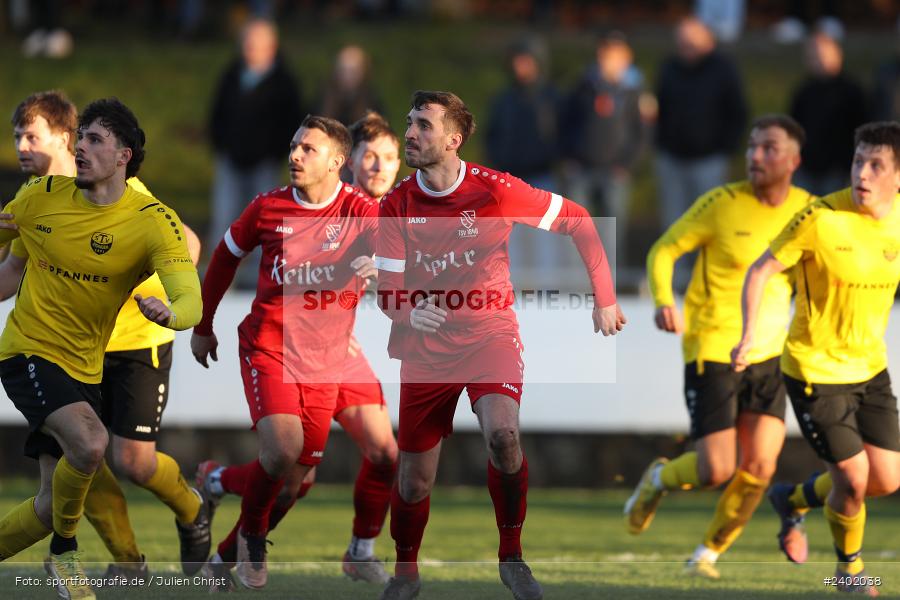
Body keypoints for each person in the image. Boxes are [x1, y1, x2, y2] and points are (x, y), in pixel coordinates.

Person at [374, 90, 625, 600]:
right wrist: (407, 308)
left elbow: (578, 219)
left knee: (503, 438)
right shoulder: (396, 205)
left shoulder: (495, 191)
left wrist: (605, 298)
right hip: (425, 351)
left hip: (490, 333)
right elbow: (388, 290)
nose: (411, 134)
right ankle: (405, 574)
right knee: (414, 482)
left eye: (424, 125)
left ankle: (511, 557)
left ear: (454, 138)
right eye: (409, 123)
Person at [0, 91, 210, 581]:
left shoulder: (142, 210)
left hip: (130, 342)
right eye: (16, 137)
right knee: (89, 447)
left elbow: (188, 255)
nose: (20, 146)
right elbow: (12, 266)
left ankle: (190, 508)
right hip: (40, 351)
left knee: (125, 466)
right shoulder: (37, 198)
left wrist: (170, 309)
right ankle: (112, 559)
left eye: (31, 136)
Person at [194, 111, 400, 586]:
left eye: (389, 158)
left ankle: (220, 519)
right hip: (272, 347)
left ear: (334, 161)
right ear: (351, 163)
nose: (294, 154)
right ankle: (250, 538)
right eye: (372, 156)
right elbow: (225, 255)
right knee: (284, 451)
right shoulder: (269, 208)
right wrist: (202, 323)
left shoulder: (370, 213)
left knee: (299, 480)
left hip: (331, 356)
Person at [626, 115, 812, 578]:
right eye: (751, 147)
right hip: (713, 348)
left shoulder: (811, 211)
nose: (755, 156)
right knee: (715, 470)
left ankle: (706, 554)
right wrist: (664, 300)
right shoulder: (722, 203)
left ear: (794, 160)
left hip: (770, 355)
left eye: (768, 148)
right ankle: (657, 479)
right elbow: (664, 249)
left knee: (761, 466)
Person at [732, 122, 900, 595]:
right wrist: (747, 336)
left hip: (870, 368)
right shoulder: (820, 217)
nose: (862, 173)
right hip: (814, 370)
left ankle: (792, 498)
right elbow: (759, 270)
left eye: (876, 165)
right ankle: (848, 573)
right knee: (853, 478)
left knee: (886, 480)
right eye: (857, 161)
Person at [208, 17, 303, 287]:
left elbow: (292, 122)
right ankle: (219, 278)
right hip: (231, 160)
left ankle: (260, 279)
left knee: (266, 222)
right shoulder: (231, 74)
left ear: (271, 47)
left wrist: (276, 153)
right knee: (224, 219)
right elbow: (217, 114)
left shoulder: (284, 82)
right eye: (247, 43)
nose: (250, 48)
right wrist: (221, 145)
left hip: (264, 164)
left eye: (256, 44)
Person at [655, 16, 747, 289]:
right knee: (674, 225)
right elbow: (660, 108)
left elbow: (738, 112)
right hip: (672, 159)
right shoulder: (669, 68)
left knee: (709, 225)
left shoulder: (724, 69)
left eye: (692, 38)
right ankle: (673, 285)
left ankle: (707, 283)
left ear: (708, 39)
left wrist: (724, 149)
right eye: (682, 39)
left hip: (709, 160)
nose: (686, 45)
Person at [561, 31, 645, 280]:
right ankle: (577, 286)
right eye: (603, 53)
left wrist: (627, 165)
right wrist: (570, 157)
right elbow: (566, 121)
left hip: (615, 172)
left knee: (612, 233)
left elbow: (643, 133)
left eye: (613, 54)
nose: (606, 59)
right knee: (576, 229)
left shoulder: (634, 91)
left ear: (625, 58)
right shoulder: (585, 85)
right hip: (582, 169)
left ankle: (610, 288)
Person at [788, 31, 866, 196]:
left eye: (823, 54)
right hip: (806, 169)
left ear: (837, 54)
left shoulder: (851, 90)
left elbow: (861, 127)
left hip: (838, 170)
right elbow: (793, 128)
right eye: (813, 55)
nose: (819, 60)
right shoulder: (803, 91)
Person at [316, 45, 385, 126]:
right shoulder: (323, 100)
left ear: (364, 72)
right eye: (343, 70)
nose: (347, 76)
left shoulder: (372, 103)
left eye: (353, 71)